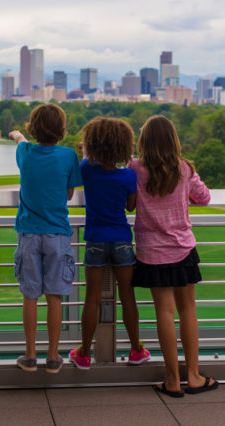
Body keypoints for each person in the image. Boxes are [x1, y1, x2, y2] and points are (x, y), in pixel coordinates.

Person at [129, 115, 218, 398]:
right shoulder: (184, 168)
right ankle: (193, 376)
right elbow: (204, 198)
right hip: (182, 249)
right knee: (187, 310)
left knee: (163, 313)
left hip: (152, 252)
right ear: (173, 141)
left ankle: (172, 381)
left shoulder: (135, 169)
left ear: (144, 141)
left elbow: (129, 205)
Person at [68, 117, 151, 369]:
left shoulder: (87, 169)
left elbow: (83, 159)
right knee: (127, 297)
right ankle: (137, 350)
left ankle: (83, 354)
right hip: (122, 240)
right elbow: (130, 205)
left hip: (95, 240)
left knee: (92, 298)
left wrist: (87, 151)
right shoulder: (128, 176)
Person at [9, 103, 83, 374]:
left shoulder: (25, 152)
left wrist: (17, 135)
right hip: (57, 234)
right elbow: (68, 195)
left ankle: (30, 356)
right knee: (54, 297)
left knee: (30, 296)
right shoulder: (68, 156)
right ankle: (53, 357)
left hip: (28, 232)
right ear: (61, 130)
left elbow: (21, 142)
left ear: (33, 127)